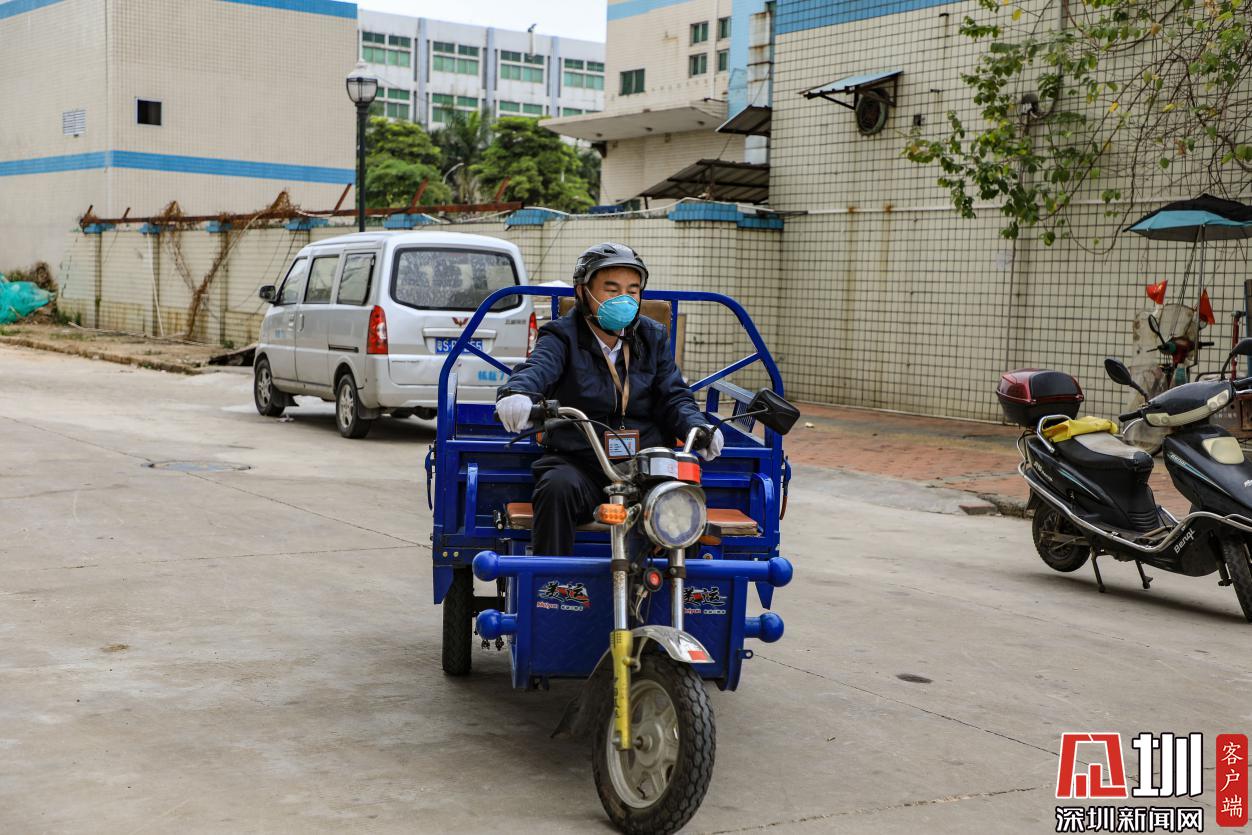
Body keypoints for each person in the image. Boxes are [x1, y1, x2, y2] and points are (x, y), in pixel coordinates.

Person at [495, 242, 724, 556]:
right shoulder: (561, 335)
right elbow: (538, 368)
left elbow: (674, 396)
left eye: (633, 290)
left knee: (681, 501)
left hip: (645, 465)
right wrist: (517, 393)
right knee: (556, 488)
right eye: (611, 289)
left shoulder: (653, 336)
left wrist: (698, 427)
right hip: (581, 462)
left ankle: (676, 582)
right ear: (583, 291)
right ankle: (552, 581)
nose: (623, 299)